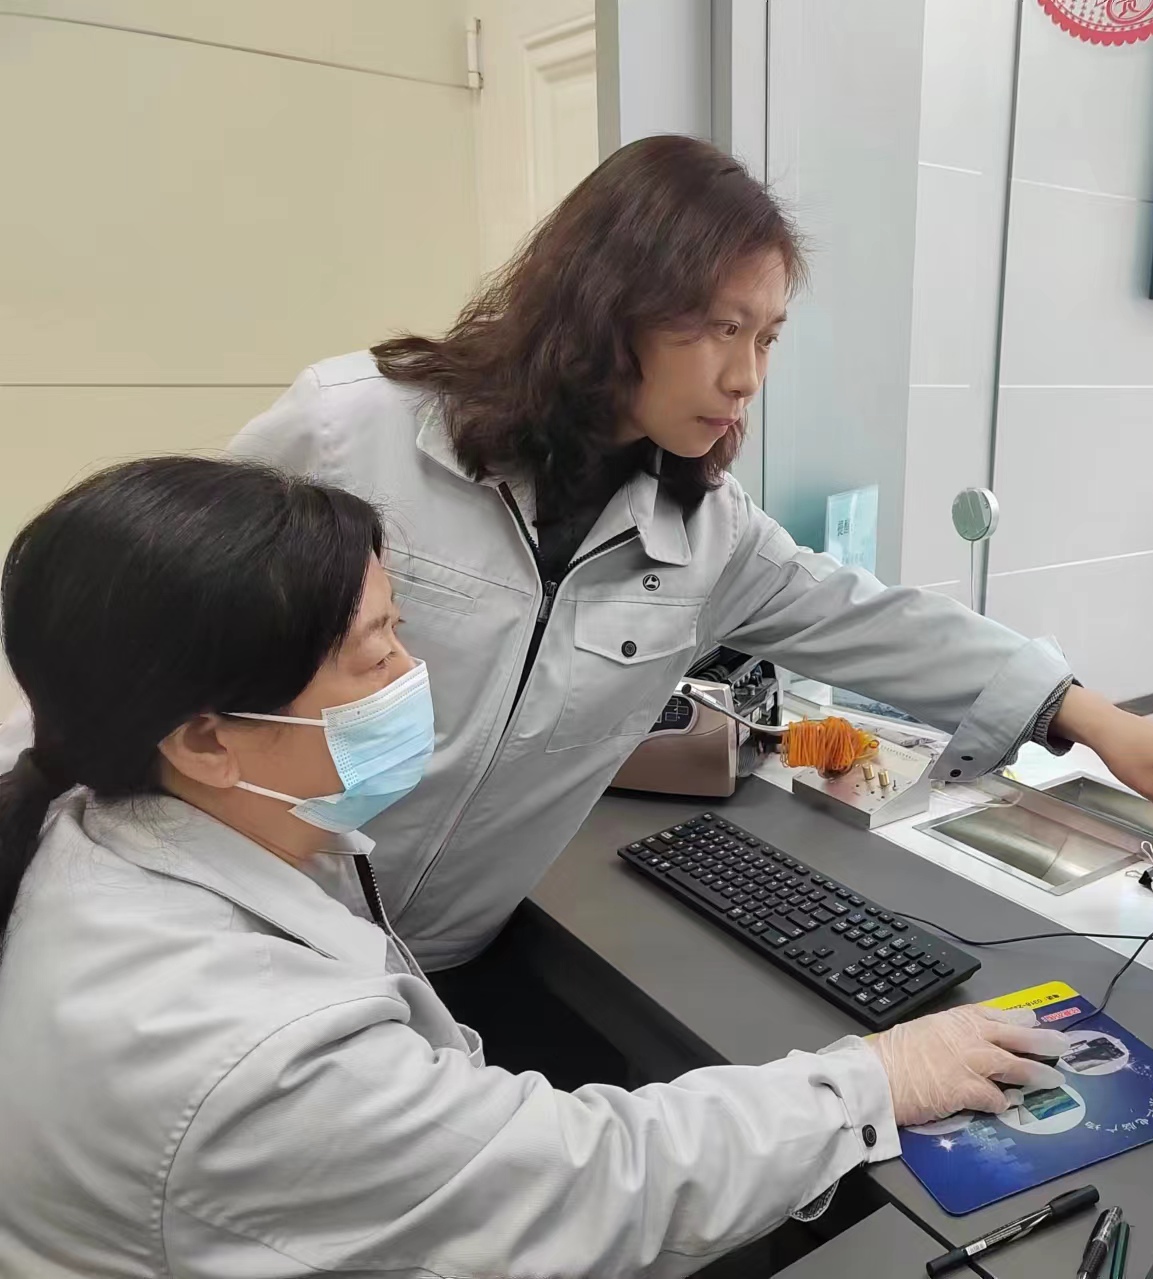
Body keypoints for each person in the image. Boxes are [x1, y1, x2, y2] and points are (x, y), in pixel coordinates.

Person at [203, 134, 1153, 1009]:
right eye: (719, 328)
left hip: (441, 964)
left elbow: (871, 618)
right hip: (243, 937)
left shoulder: (702, 533)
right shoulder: (354, 434)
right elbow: (157, 629)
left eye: (766, 337)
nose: (745, 376)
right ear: (604, 307)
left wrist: (1094, 718)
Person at [0, 457, 1072, 1277]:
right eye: (375, 653)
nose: (414, 674)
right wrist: (872, 1079)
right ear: (204, 738)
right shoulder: (237, 1048)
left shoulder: (110, 821)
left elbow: (850, 612)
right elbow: (593, 1183)